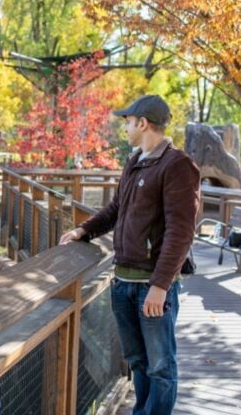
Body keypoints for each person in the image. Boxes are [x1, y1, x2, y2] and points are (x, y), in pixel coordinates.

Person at [59, 94, 200, 415]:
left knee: (161, 366)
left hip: (152, 286)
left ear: (143, 123)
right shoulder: (135, 160)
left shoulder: (178, 165)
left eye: (127, 122)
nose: (124, 128)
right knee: (137, 362)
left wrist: (161, 286)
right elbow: (116, 209)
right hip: (122, 281)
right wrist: (84, 231)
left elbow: (181, 231)